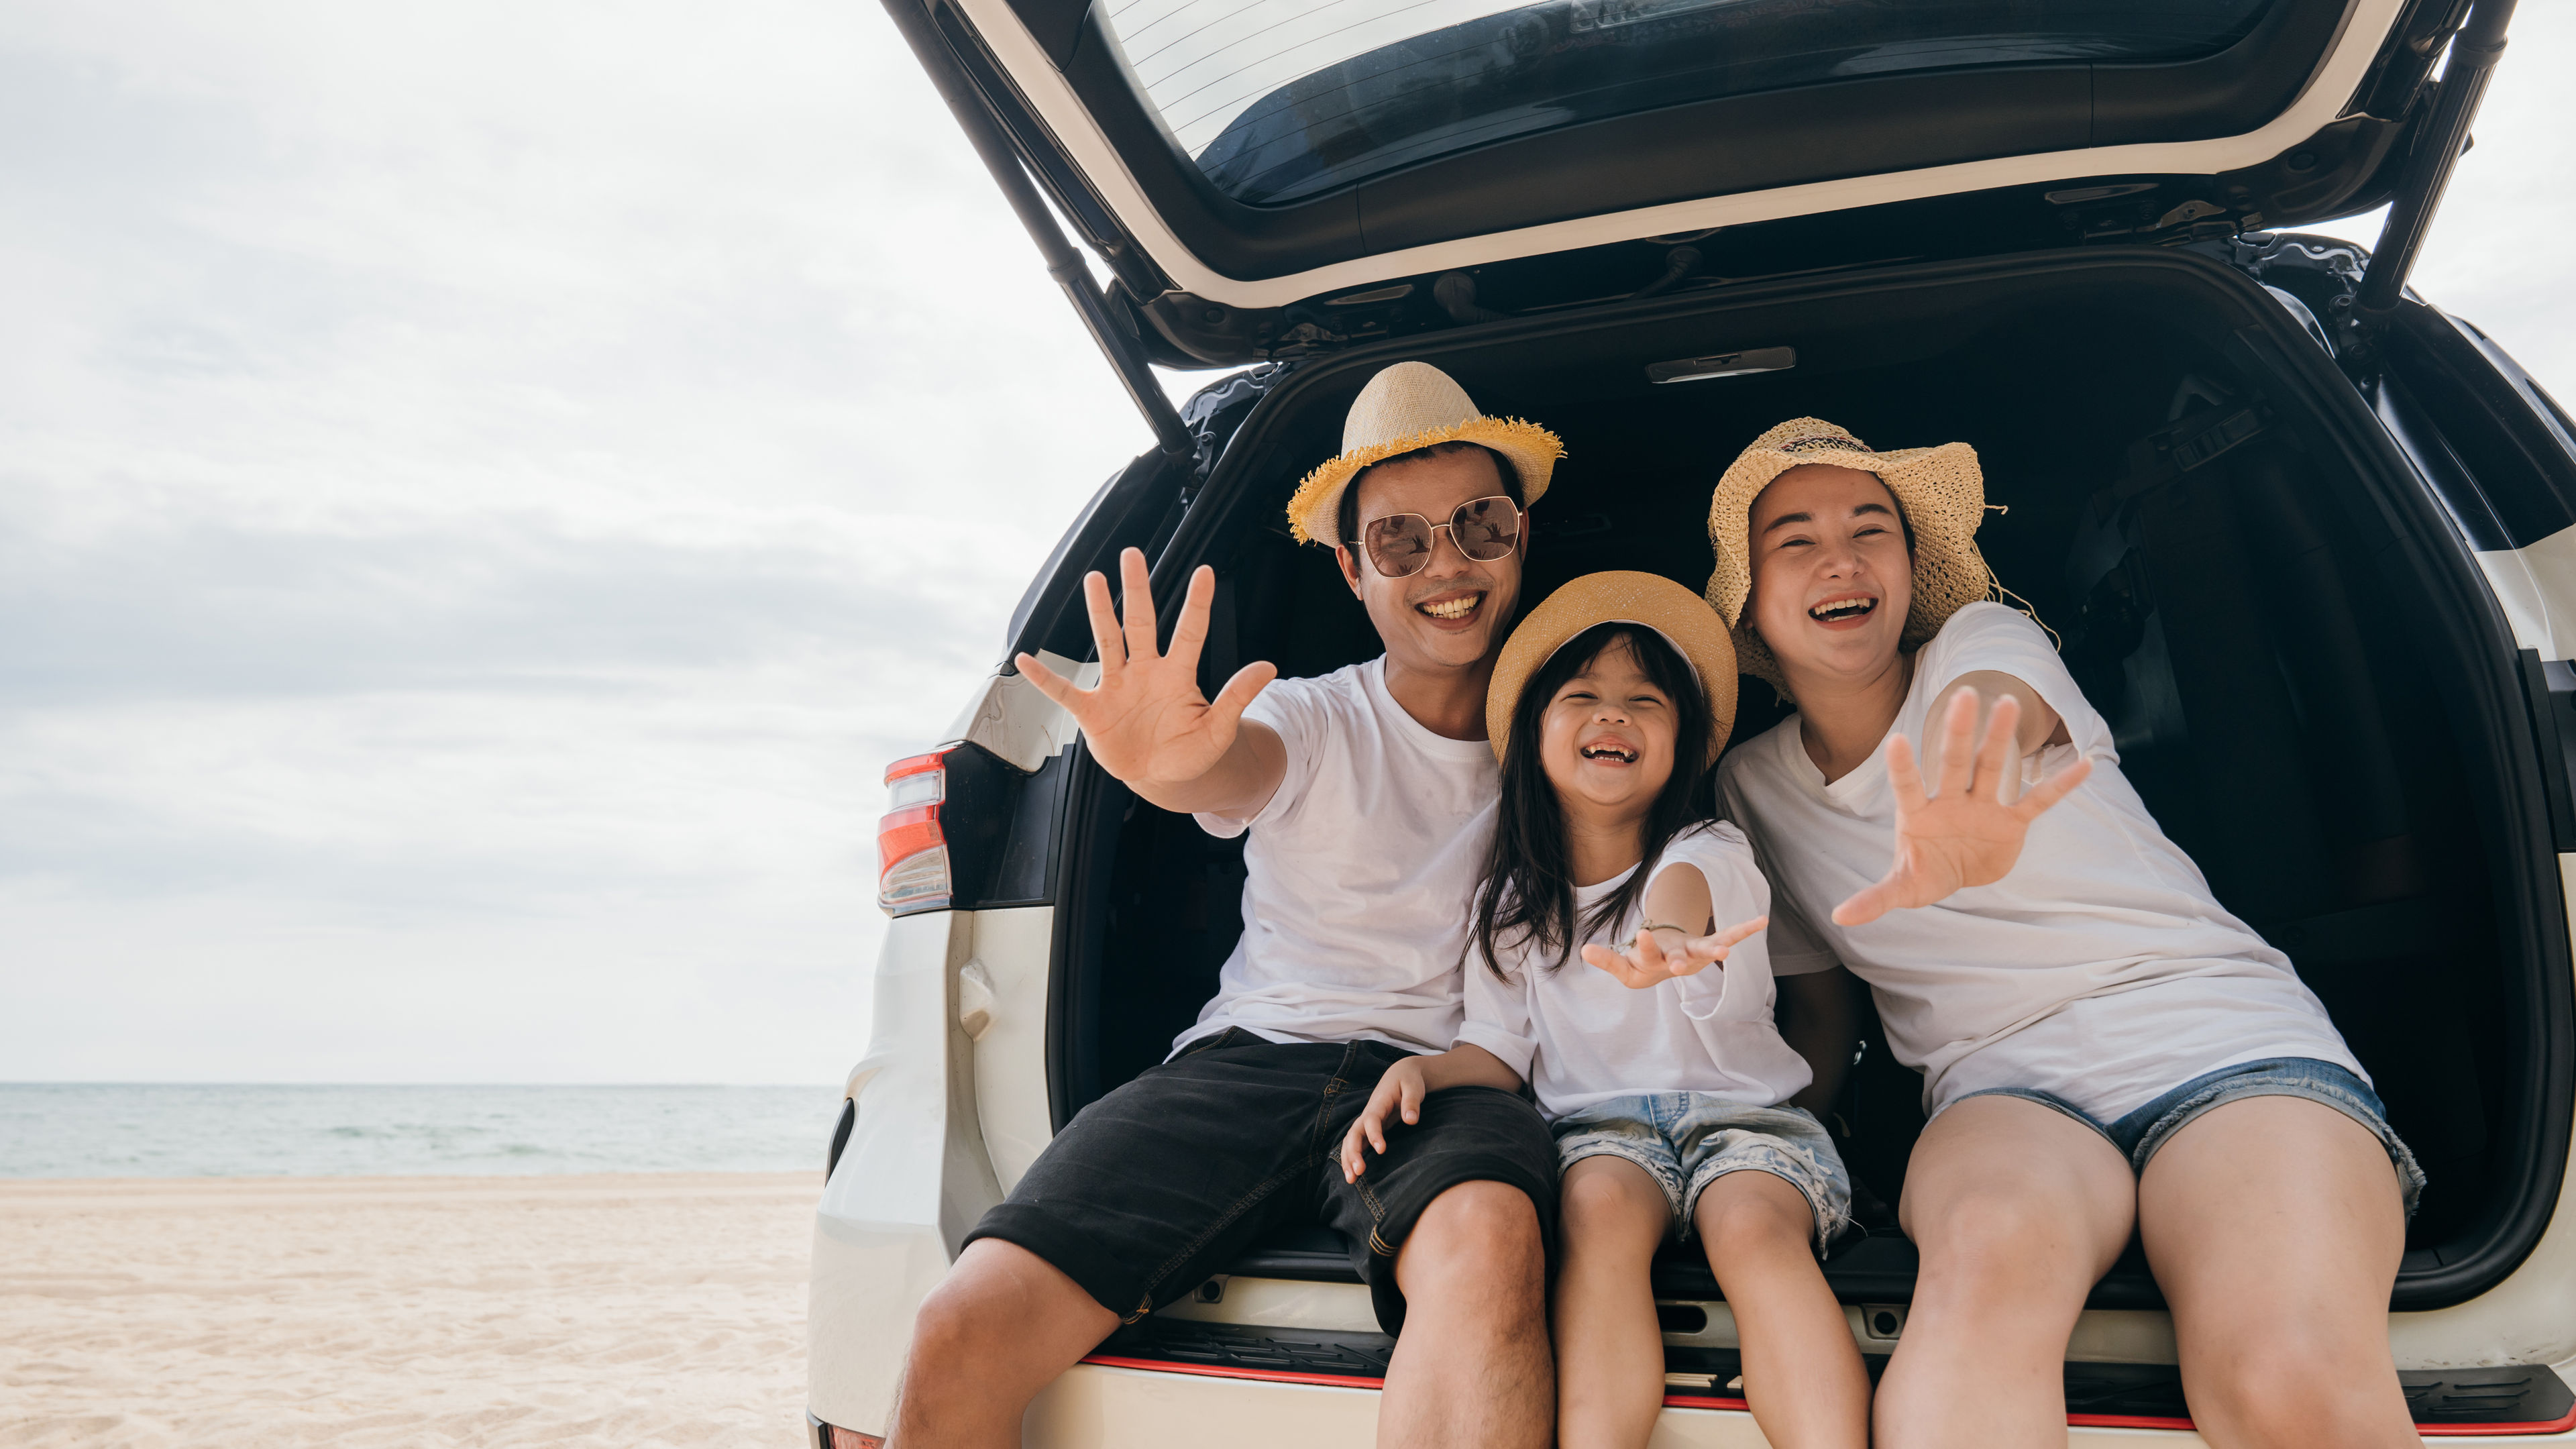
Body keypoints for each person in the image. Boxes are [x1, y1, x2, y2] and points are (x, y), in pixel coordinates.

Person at [1705, 418, 2428, 1449]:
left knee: (2285, 1373)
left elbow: (1989, 717)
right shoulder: (1751, 786)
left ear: (1912, 570)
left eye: (1874, 528)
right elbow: (1820, 1009)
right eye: (1796, 540)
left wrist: (1968, 798)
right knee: (1984, 1281)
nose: (1844, 558)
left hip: (2220, 1041)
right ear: (1750, 606)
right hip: (2001, 1088)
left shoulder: (1983, 643)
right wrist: (1766, 1143)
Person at [886, 362, 1570, 1449]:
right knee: (956, 1332)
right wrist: (1163, 769)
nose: (1446, 562)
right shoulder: (1312, 718)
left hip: (1444, 1083)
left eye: (1479, 524)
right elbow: (1231, 771)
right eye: (1400, 540)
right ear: (1352, 571)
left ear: (1520, 537)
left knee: (1490, 1242)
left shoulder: (1573, 745)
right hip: (1252, 1063)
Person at [1341, 571, 1870, 1449]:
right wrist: (1421, 1070)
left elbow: (1682, 894)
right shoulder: (1513, 904)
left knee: (1751, 1230)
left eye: (1645, 702)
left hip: (1748, 1121)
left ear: (1684, 743)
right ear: (1535, 736)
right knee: (1597, 1220)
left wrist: (1663, 941)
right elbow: (1500, 1051)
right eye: (1582, 696)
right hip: (1604, 1130)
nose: (1613, 716)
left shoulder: (1713, 849)